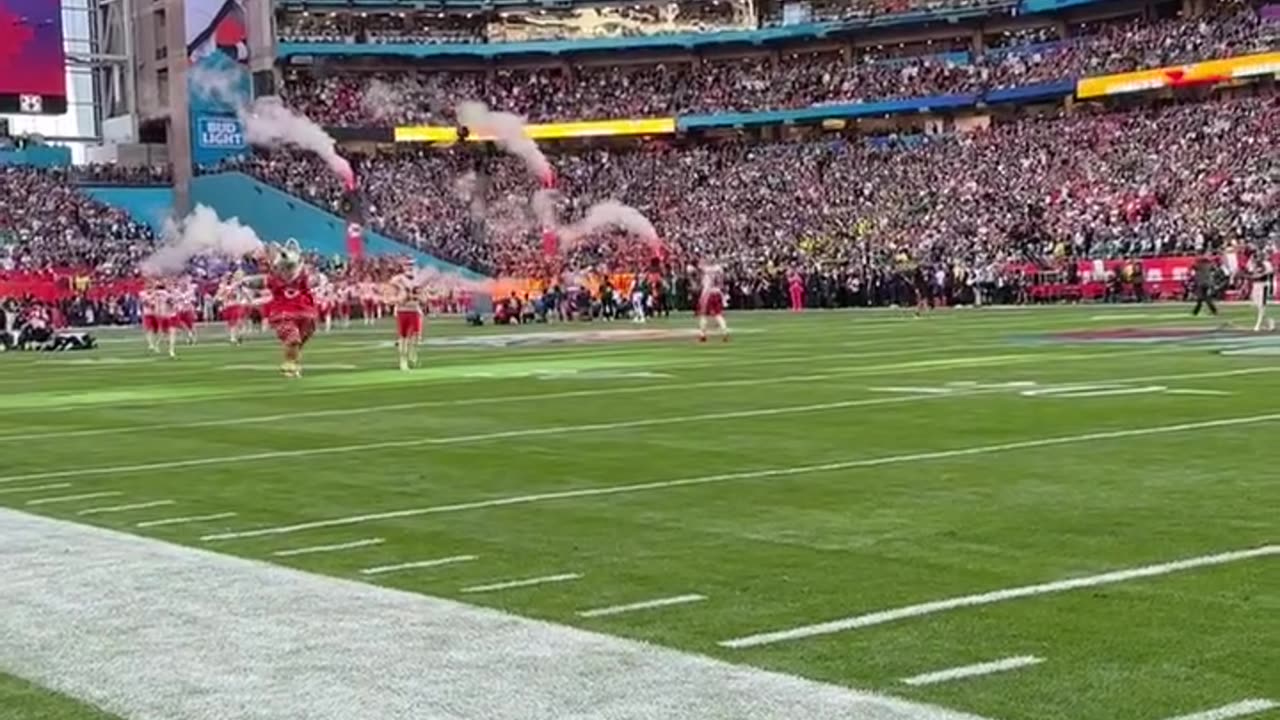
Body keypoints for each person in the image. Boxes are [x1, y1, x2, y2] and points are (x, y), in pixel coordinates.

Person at [240, 240, 319, 378]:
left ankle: (293, 363)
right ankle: (289, 365)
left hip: (306, 315)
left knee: (298, 342)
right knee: (293, 339)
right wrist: (244, 281)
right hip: (284, 314)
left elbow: (314, 279)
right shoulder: (274, 279)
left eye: (288, 268)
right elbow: (260, 282)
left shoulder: (303, 277)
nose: (286, 272)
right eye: (284, 269)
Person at [388, 264, 425, 371]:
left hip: (414, 309)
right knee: (403, 338)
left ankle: (412, 353)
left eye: (411, 266)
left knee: (416, 336)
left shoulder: (418, 279)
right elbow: (391, 295)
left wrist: (418, 298)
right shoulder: (397, 279)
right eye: (407, 266)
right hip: (403, 310)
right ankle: (403, 361)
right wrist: (398, 298)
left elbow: (423, 297)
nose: (410, 268)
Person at [697, 262, 729, 342]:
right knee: (718, 315)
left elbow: (705, 285)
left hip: (709, 294)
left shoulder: (707, 272)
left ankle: (702, 335)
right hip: (718, 293)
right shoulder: (719, 270)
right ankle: (725, 333)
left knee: (703, 315)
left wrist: (702, 298)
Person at [1245, 249, 1275, 332]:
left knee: (1262, 306)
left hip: (1263, 285)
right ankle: (1269, 321)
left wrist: (1260, 274)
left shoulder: (1266, 264)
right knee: (1257, 305)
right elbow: (1249, 271)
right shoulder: (1252, 263)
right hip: (1256, 285)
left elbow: (1269, 273)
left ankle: (1258, 324)